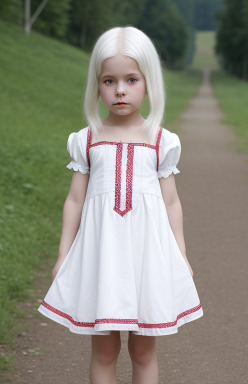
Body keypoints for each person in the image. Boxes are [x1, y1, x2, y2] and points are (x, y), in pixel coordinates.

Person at [38, 26, 203, 383]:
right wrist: (62, 256)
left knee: (143, 350)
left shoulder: (161, 141)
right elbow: (75, 199)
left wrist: (182, 255)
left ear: (148, 82)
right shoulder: (87, 140)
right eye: (109, 81)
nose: (120, 90)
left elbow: (171, 203)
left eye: (131, 79)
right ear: (97, 84)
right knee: (105, 350)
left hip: (148, 257)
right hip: (103, 256)